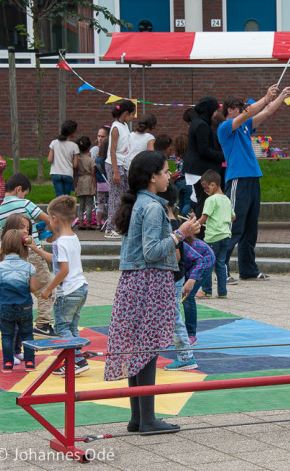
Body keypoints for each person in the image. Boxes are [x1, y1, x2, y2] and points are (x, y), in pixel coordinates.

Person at [104, 150, 200, 434]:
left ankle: (138, 418)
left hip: (134, 283)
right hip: (150, 283)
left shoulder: (140, 203)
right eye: (165, 170)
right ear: (152, 176)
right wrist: (180, 234)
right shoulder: (153, 207)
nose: (169, 174)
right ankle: (147, 420)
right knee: (147, 351)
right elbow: (152, 251)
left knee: (139, 350)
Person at [218, 84, 290, 281]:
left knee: (250, 228)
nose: (244, 109)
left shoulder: (245, 126)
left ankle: (248, 270)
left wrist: (281, 96)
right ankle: (222, 269)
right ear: (231, 110)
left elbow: (267, 111)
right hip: (237, 179)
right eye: (240, 107)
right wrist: (265, 96)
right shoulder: (225, 127)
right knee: (234, 226)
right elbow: (252, 110)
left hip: (252, 178)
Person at [28, 195, 90, 375]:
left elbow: (63, 270)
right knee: (71, 327)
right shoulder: (73, 238)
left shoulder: (59, 243)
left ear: (54, 219)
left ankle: (77, 361)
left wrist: (48, 289)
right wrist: (37, 249)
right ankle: (77, 360)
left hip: (68, 292)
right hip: (81, 288)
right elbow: (57, 261)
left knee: (62, 328)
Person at [0, 173, 57, 338]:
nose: (24, 196)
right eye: (24, 193)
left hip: (13, 256)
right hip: (32, 253)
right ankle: (43, 324)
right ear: (18, 189)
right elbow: (49, 220)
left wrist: (37, 231)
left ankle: (16, 324)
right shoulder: (25, 204)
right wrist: (53, 234)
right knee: (46, 288)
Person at [158, 183, 198, 371]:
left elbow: (176, 255)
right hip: (175, 275)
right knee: (170, 313)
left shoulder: (169, 224)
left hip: (172, 276)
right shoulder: (174, 221)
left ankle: (186, 356)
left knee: (173, 315)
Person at [0, 229, 38, 373]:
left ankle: (8, 364)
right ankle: (30, 362)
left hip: (6, 307)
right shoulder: (28, 267)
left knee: (6, 336)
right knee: (27, 334)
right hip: (24, 307)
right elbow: (33, 288)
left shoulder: (0, 267)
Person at [183, 96, 225, 220]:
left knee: (204, 202)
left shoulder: (201, 122)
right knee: (204, 204)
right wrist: (222, 157)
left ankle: (201, 233)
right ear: (209, 110)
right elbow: (204, 150)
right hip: (199, 171)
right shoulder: (201, 125)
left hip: (199, 170)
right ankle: (201, 234)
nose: (216, 113)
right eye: (215, 110)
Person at [195, 169, 234, 299]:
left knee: (207, 263)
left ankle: (206, 291)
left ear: (212, 184)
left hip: (213, 237)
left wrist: (194, 225)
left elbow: (204, 218)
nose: (205, 191)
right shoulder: (227, 200)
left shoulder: (211, 200)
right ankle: (222, 293)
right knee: (220, 264)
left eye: (205, 188)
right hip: (225, 236)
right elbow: (233, 217)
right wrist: (222, 219)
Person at [105, 99, 136, 238]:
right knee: (115, 197)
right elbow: (112, 151)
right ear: (125, 113)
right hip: (115, 165)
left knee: (123, 197)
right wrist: (116, 172)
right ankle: (110, 227)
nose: (132, 118)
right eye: (132, 114)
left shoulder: (124, 126)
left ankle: (120, 226)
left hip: (124, 164)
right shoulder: (116, 128)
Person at [181, 233, 215, 345]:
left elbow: (200, 262)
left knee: (187, 296)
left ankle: (191, 334)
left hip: (205, 260)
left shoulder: (181, 245)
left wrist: (192, 279)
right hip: (189, 263)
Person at [47, 120, 79, 197]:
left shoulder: (54, 143)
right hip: (68, 174)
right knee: (66, 197)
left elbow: (49, 160)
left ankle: (58, 209)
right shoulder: (74, 146)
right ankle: (66, 209)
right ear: (72, 132)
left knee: (59, 197)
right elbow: (75, 165)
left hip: (56, 173)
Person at [74, 136, 97, 230]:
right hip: (89, 181)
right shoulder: (91, 160)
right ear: (88, 147)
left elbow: (75, 173)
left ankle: (80, 222)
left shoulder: (77, 159)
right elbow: (93, 175)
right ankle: (88, 222)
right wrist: (95, 186)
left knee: (81, 204)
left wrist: (75, 185)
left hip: (80, 181)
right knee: (89, 204)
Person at [171, 133, 191, 217]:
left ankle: (180, 217)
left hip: (178, 182)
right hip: (187, 181)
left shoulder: (177, 157)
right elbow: (182, 171)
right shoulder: (189, 156)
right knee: (188, 203)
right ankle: (183, 216)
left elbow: (178, 170)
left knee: (181, 202)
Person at [94, 133, 110, 229]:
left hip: (100, 185)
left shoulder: (97, 160)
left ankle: (98, 223)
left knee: (100, 205)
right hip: (109, 185)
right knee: (110, 204)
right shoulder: (110, 161)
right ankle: (109, 222)